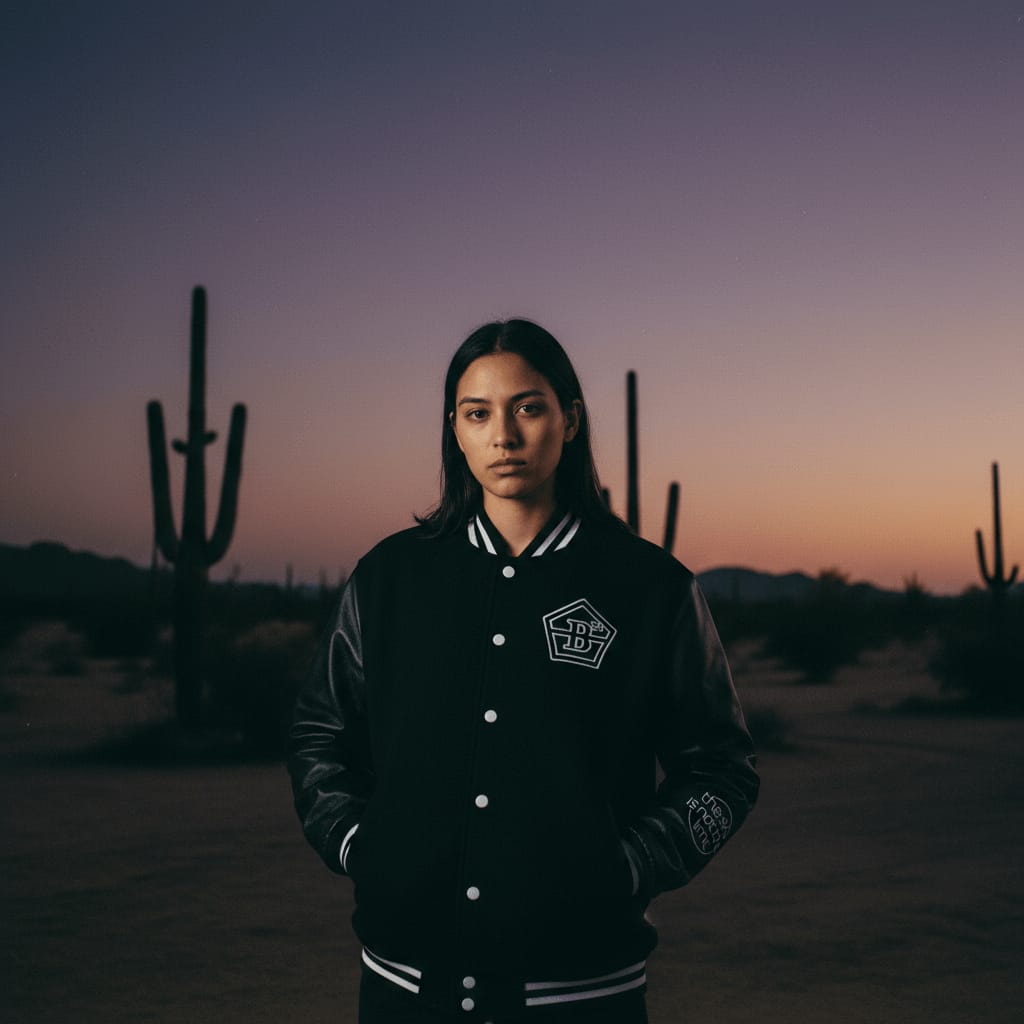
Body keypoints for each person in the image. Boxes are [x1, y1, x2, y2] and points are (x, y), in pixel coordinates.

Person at [288, 319, 759, 1024]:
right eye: (478, 414)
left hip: (582, 991)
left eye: (528, 408)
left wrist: (628, 868)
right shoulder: (389, 579)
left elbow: (723, 769)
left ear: (569, 419)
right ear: (455, 429)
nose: (503, 436)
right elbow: (317, 734)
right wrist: (362, 848)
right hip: (405, 989)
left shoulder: (650, 588)